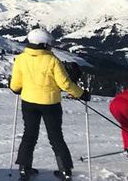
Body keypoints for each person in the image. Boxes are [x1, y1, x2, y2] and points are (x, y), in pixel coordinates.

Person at [9, 28, 90, 181]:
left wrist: (16, 89)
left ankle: (24, 170)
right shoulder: (52, 60)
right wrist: (81, 94)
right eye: (49, 44)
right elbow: (65, 84)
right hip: (50, 103)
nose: (51, 46)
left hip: (28, 102)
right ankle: (65, 171)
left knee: (29, 135)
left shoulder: (21, 59)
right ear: (44, 44)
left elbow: (15, 86)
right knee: (56, 137)